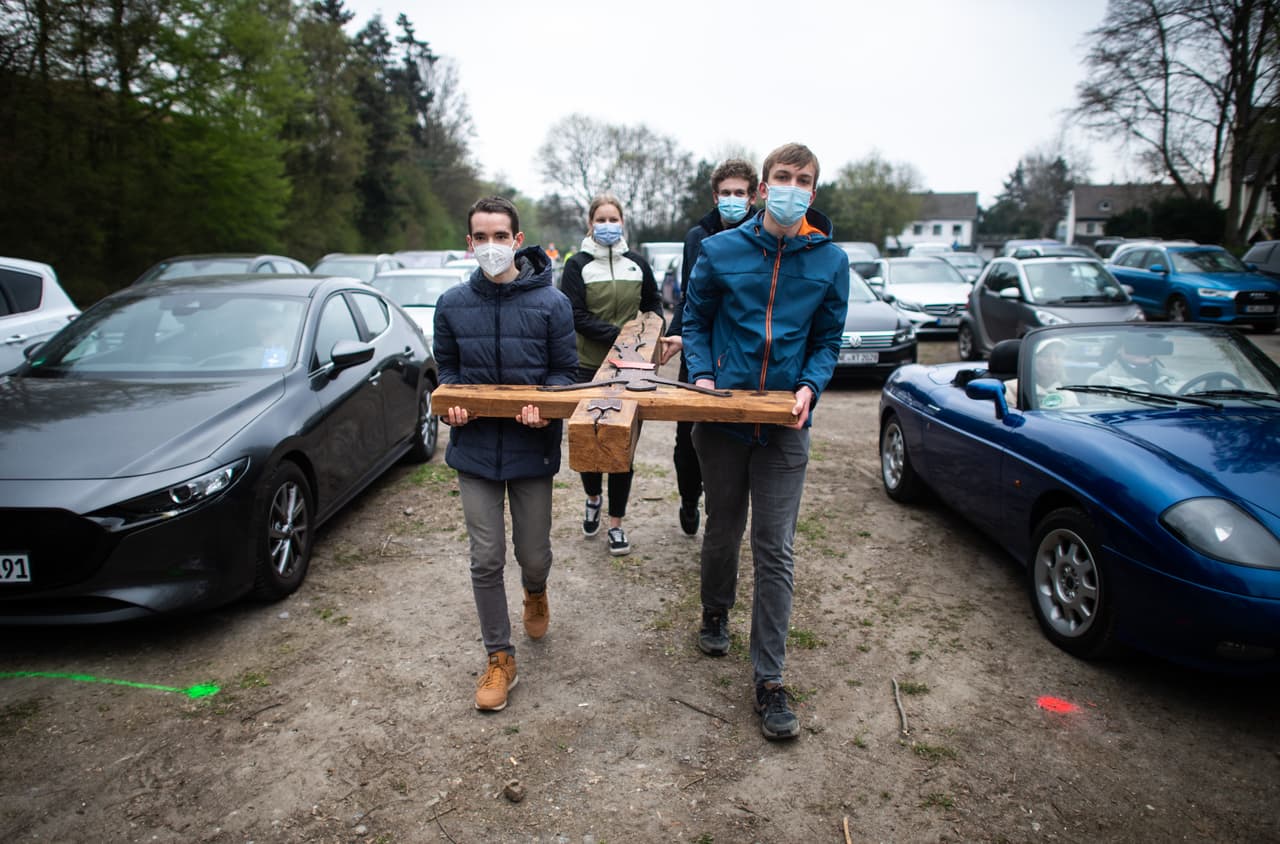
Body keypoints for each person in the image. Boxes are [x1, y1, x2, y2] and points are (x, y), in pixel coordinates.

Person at [681, 143, 849, 740]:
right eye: (783, 177)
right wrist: (702, 373)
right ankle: (715, 608)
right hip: (723, 419)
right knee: (723, 526)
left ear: (813, 191)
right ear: (762, 188)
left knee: (775, 547)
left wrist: (810, 386)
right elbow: (694, 319)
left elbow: (828, 339)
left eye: (803, 180)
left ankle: (770, 679)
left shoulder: (830, 261)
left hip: (785, 426)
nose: (792, 186)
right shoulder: (720, 249)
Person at [432, 196, 578, 712]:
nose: (490, 246)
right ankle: (499, 656)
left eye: (500, 236)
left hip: (530, 445)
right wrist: (454, 405)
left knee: (531, 554)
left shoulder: (552, 304)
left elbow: (565, 373)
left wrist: (544, 404)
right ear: (468, 242)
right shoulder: (451, 304)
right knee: (486, 556)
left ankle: (536, 590)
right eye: (480, 237)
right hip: (473, 451)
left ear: (517, 241)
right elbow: (446, 369)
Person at [559, 193, 664, 557]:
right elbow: (572, 313)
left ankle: (616, 524)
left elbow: (653, 303)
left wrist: (650, 331)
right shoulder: (578, 265)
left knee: (622, 445)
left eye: (613, 219)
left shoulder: (637, 263)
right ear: (590, 224)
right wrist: (618, 334)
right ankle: (592, 498)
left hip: (632, 370)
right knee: (590, 439)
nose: (607, 225)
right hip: (588, 365)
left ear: (622, 222)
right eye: (600, 219)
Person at [659, 159, 759, 536]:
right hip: (698, 345)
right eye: (726, 193)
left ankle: (726, 511)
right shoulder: (697, 237)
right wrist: (677, 333)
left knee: (733, 432)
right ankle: (689, 496)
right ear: (715, 196)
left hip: (741, 348)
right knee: (688, 436)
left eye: (740, 193)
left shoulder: (764, 236)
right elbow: (690, 295)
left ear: (752, 196)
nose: (733, 199)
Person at [1089, 333, 1178, 392]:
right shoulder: (1102, 380)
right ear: (1118, 349)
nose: (1143, 350)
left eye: (1150, 345)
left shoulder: (1174, 377)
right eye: (1136, 345)